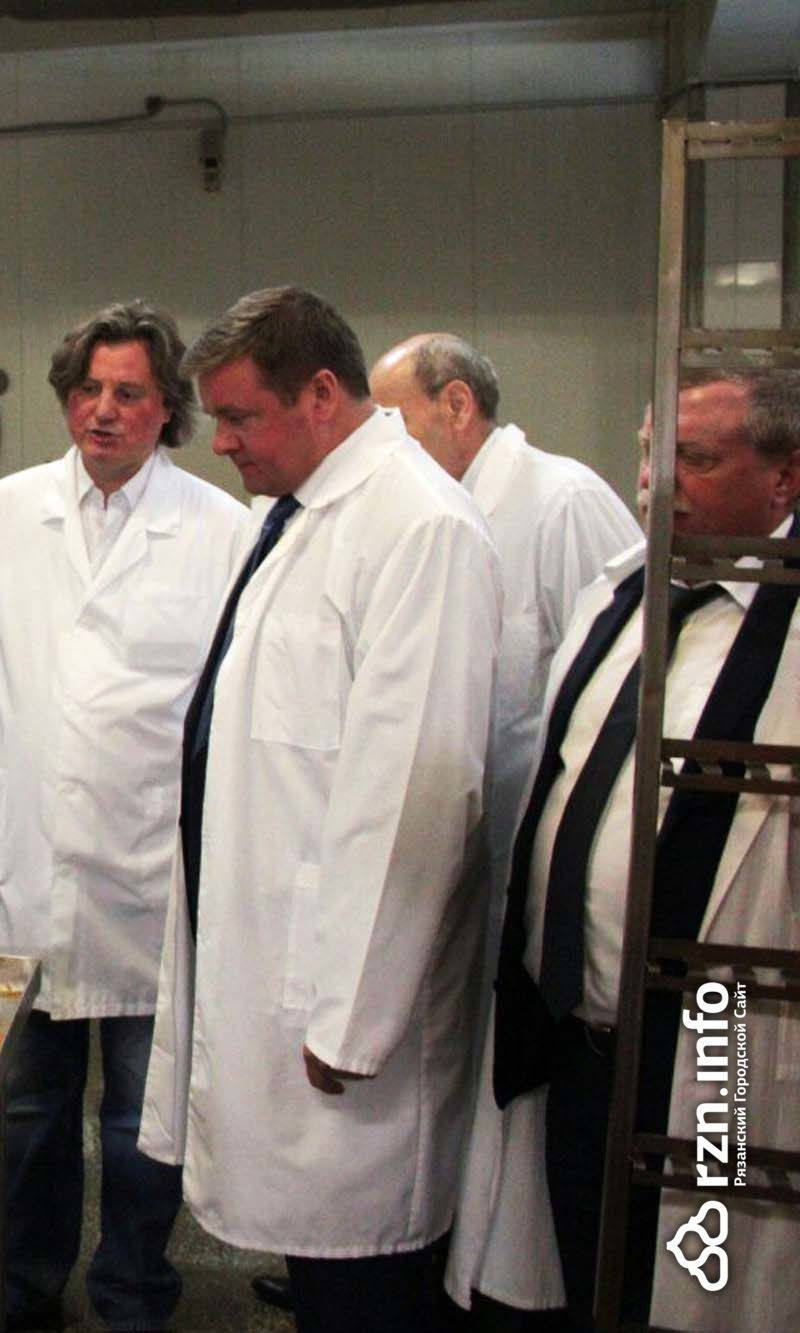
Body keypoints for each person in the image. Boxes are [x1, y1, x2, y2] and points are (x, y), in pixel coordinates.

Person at [138, 287, 501, 1333]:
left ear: (323, 394)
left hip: (344, 1015)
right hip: (273, 959)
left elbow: (418, 790)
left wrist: (352, 1014)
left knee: (365, 1281)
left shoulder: (418, 527)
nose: (219, 442)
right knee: (319, 1270)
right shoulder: (298, 516)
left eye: (238, 416)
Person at [0, 302, 251, 1333]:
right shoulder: (5, 512)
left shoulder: (221, 528)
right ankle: (22, 1291)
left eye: (127, 393)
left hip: (151, 872)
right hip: (28, 863)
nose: (102, 410)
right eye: (86, 390)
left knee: (140, 1118)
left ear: (167, 409)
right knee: (24, 1109)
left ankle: (132, 1294)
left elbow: (229, 697)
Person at [460, 369, 799, 1331]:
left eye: (697, 459)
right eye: (652, 453)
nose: (657, 481)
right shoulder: (622, 592)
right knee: (583, 1269)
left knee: (707, 1277)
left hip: (725, 1046)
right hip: (577, 1035)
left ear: (785, 478)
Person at [369, 335, 642, 1321]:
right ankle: (429, 1259)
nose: (378, 443)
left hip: (542, 881)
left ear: (455, 405)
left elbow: (618, 681)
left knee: (525, 1113)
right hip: (458, 861)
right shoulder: (419, 511)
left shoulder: (561, 503)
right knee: (444, 1080)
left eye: (393, 420)